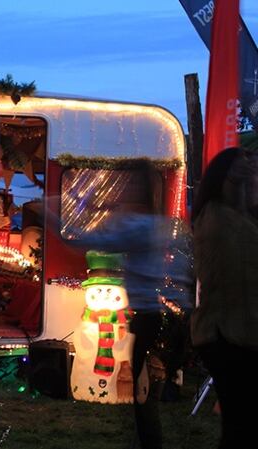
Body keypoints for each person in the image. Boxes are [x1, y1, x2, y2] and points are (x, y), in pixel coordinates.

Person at [60, 160, 193, 449]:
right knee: (150, 386)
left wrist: (54, 212)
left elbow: (95, 240)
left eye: (129, 185)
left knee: (143, 388)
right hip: (166, 319)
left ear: (139, 190)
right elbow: (182, 270)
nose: (123, 192)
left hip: (147, 318)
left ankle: (148, 441)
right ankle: (149, 436)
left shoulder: (136, 225)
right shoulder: (163, 226)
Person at [191, 147, 258, 448]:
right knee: (240, 423)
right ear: (227, 173)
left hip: (238, 332)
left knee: (241, 422)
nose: (250, 167)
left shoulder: (239, 216)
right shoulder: (217, 218)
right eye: (242, 164)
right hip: (226, 334)